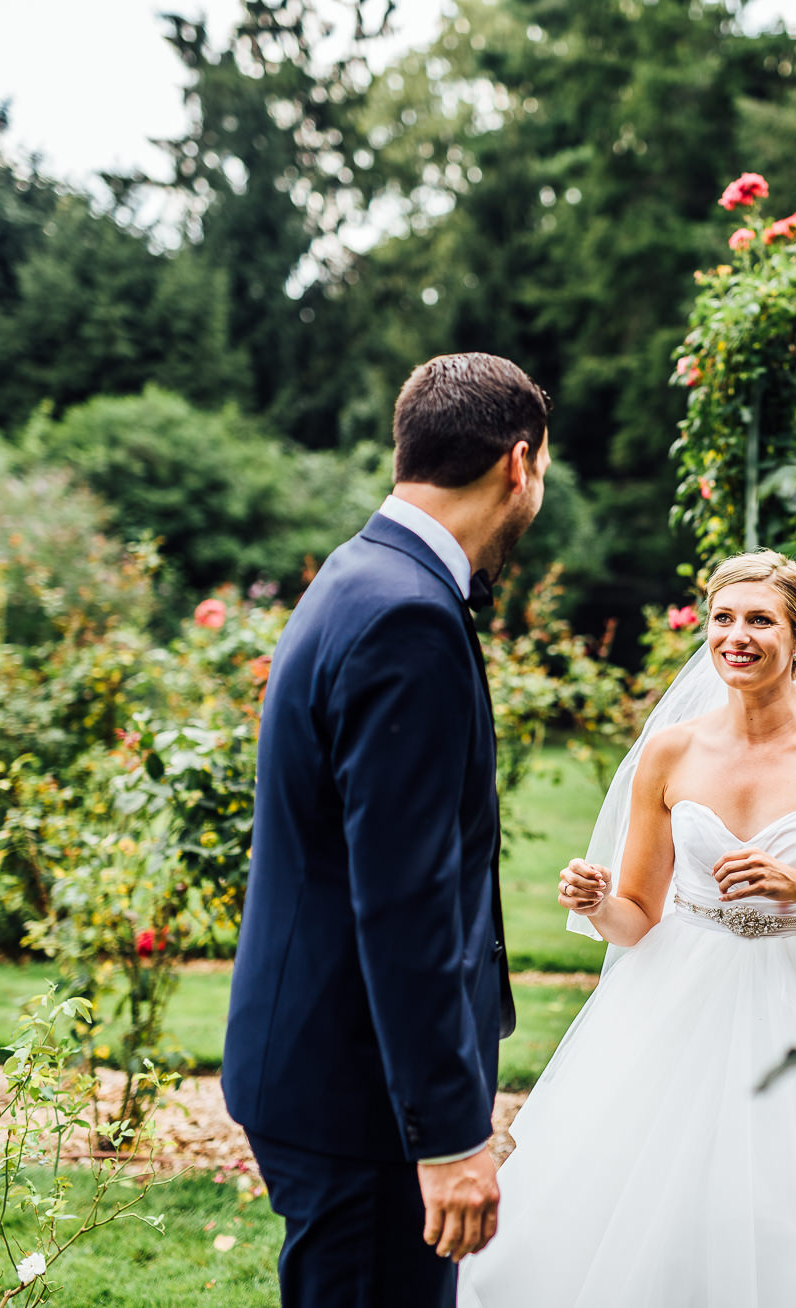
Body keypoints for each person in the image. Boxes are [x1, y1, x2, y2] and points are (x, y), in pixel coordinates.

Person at [457, 550, 796, 1308]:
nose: (737, 636)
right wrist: (596, 902)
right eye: (724, 619)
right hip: (681, 996)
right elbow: (636, 919)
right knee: (657, 1191)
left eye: (761, 620)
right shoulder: (671, 751)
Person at [224, 352, 551, 1307]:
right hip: (360, 1097)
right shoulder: (408, 616)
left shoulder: (359, 575)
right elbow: (402, 900)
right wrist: (448, 1137)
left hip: (323, 1063)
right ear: (517, 466)